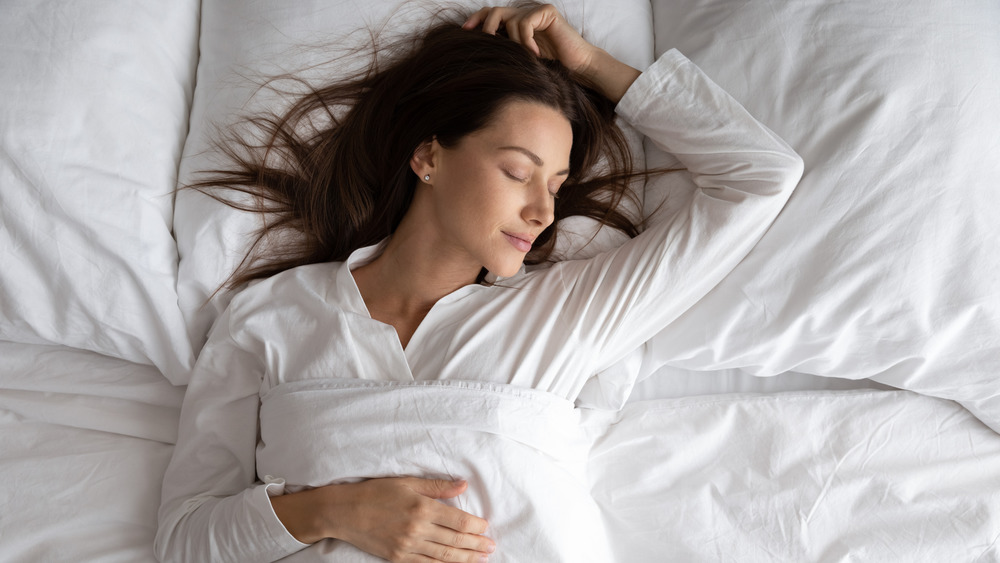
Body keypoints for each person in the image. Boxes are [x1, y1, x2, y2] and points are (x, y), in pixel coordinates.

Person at [155, 3, 803, 563]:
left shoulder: (566, 312)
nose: (544, 211)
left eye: (556, 185)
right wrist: (334, 509)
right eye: (519, 171)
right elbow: (184, 539)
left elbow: (759, 175)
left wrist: (589, 64)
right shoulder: (272, 316)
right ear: (430, 156)